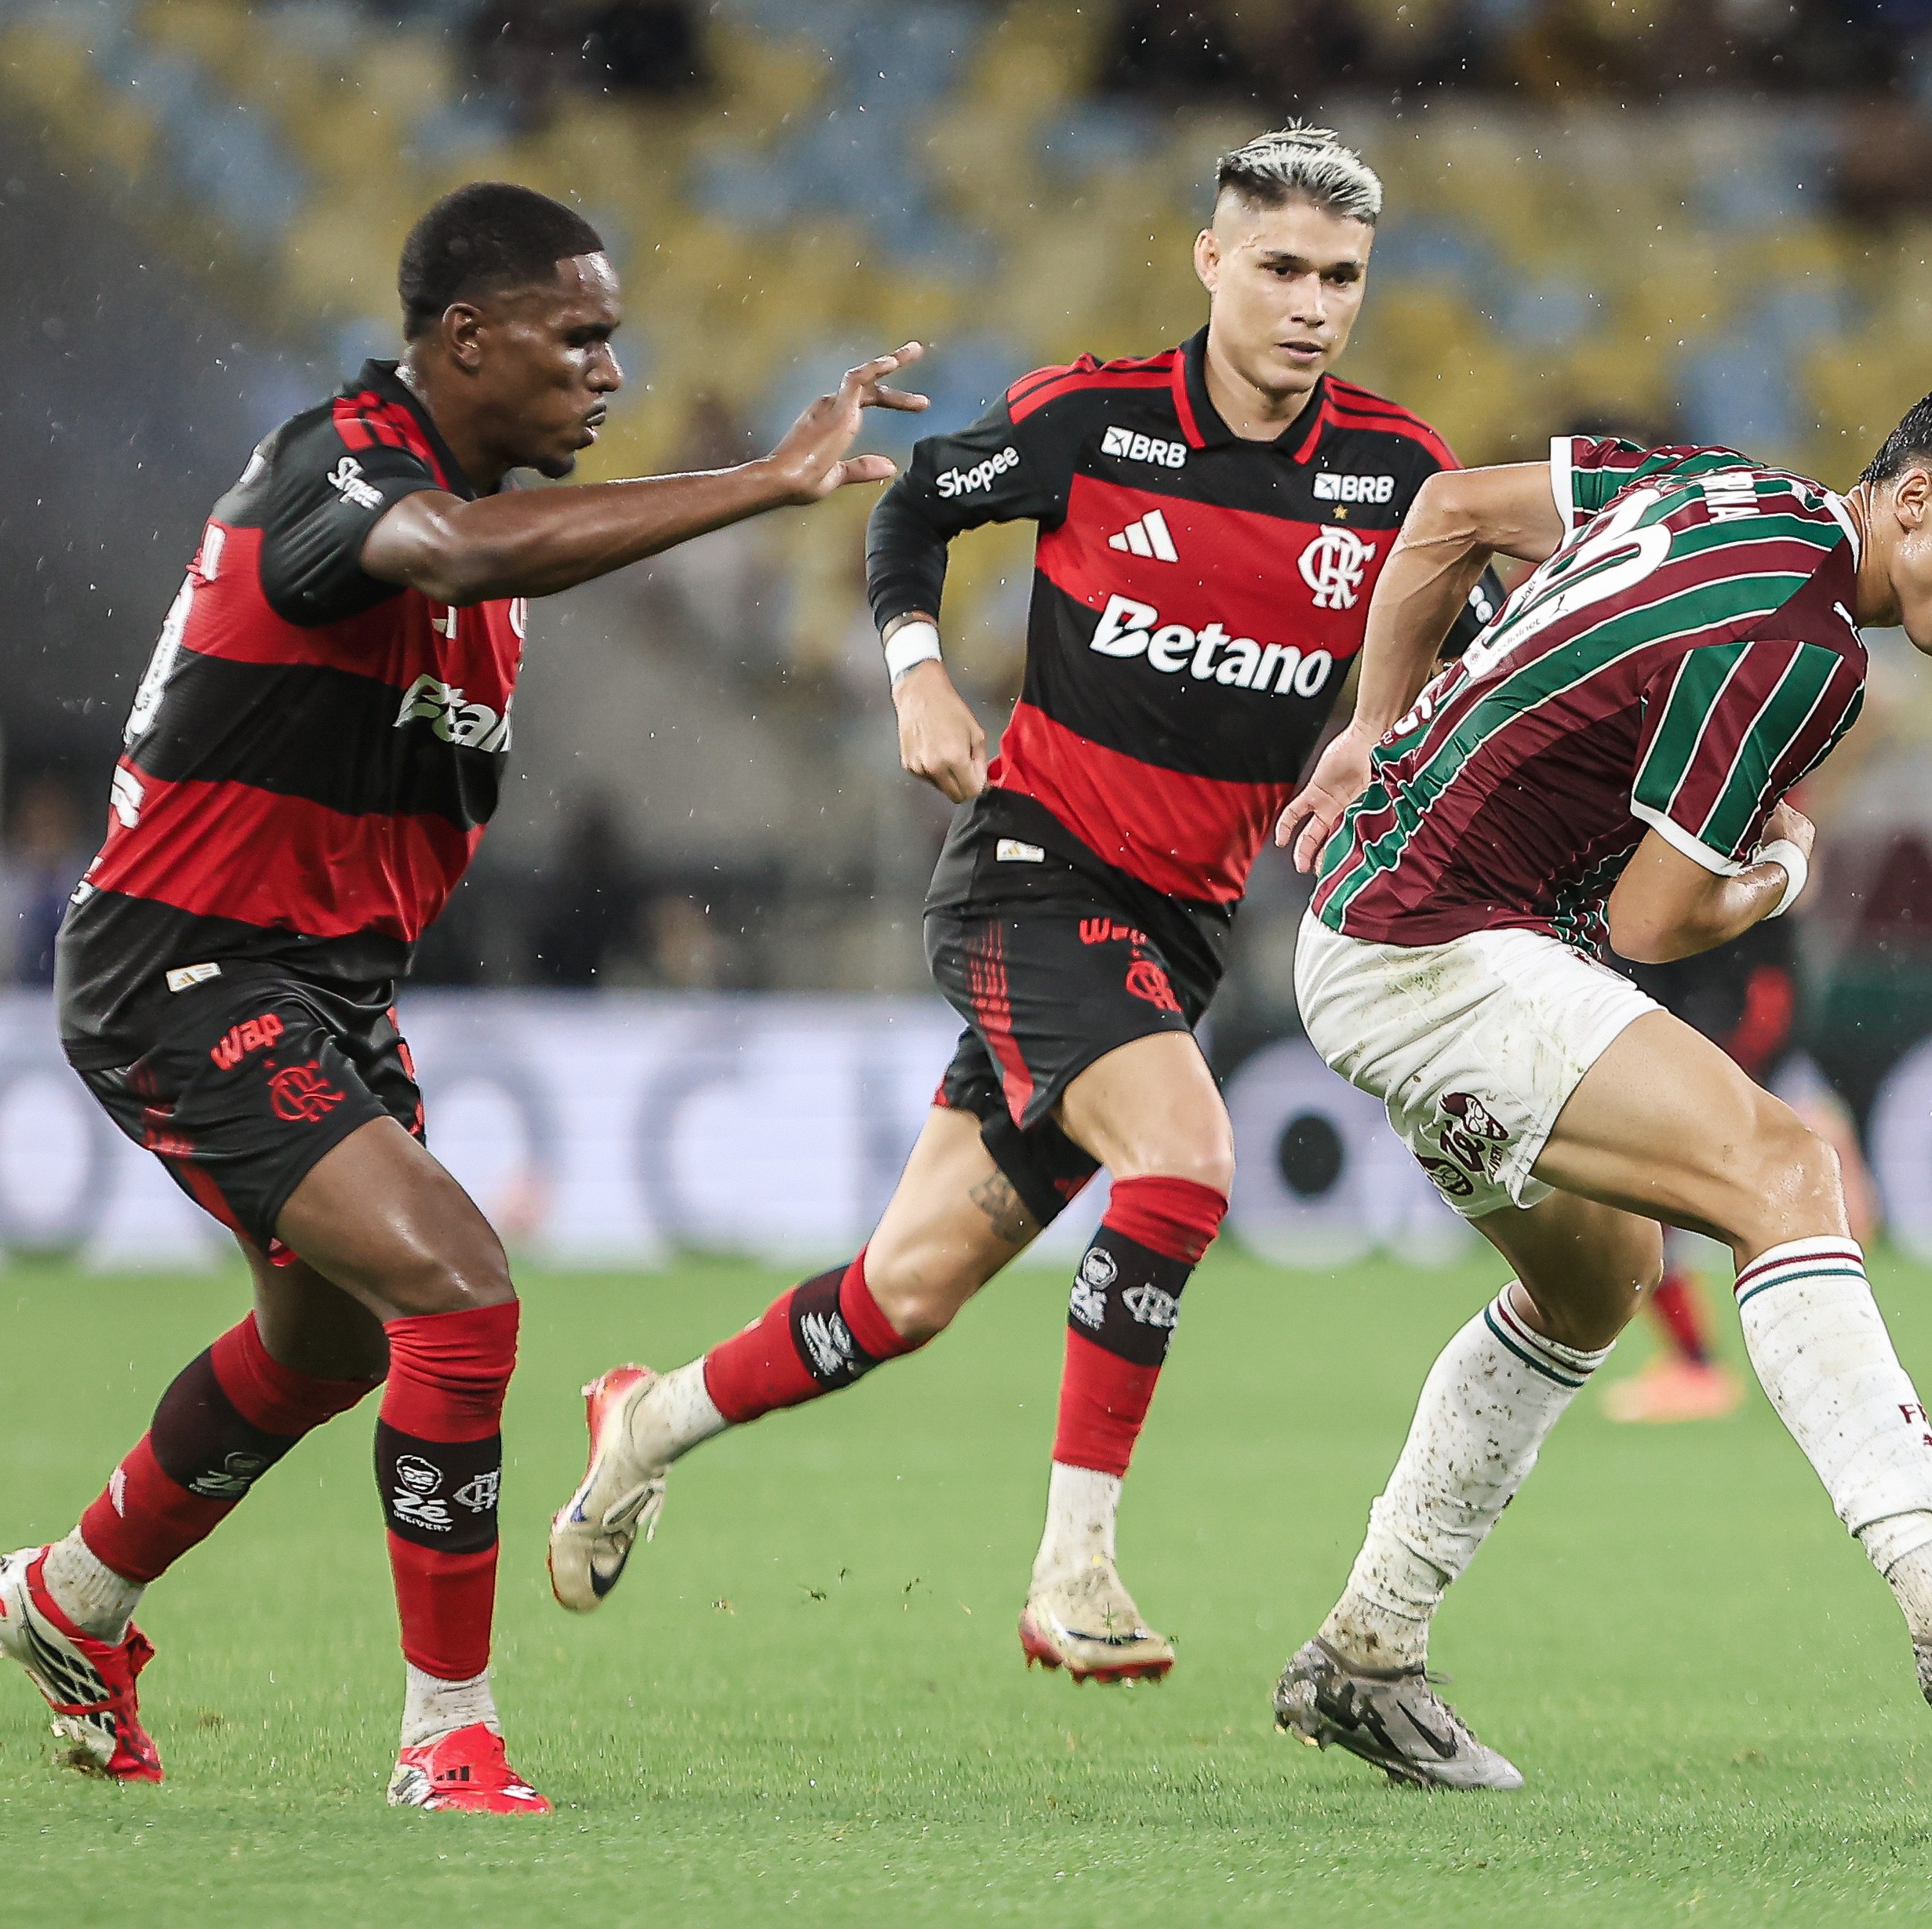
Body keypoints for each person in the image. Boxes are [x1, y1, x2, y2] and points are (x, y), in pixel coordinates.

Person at [0, 182, 924, 1812]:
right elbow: (449, 552)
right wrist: (762, 482)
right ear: (466, 338)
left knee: (328, 1341)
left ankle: (69, 1595)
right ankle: (445, 1734)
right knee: (460, 1293)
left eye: (614, 339)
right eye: (579, 337)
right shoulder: (337, 463)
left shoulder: (485, 554)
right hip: (185, 963)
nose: (607, 372)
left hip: (319, 986)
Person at [550, 126, 1497, 1683]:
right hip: (1031, 879)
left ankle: (647, 1418)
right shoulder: (1092, 419)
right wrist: (918, 671)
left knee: (903, 1291)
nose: (1310, 304)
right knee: (1185, 1155)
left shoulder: (1397, 473)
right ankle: (1074, 1564)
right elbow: (913, 509)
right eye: (1279, 267)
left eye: (1340, 276)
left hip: (1178, 932)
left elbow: (1465, 649)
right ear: (1210, 262)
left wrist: (1381, 732)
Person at [1266, 374, 1932, 1788]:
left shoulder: (1716, 485)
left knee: (1596, 1287)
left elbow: (1449, 512)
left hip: (1377, 923)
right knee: (1788, 1169)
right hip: (1440, 949)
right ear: (1915, 499)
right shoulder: (1808, 649)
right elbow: (1652, 922)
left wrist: (1369, 728)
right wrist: (1781, 872)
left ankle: (1366, 1650)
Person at [1606, 909, 1881, 1424]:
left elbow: (1769, 993)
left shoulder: (1747, 914)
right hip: (1707, 1048)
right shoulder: (1662, 915)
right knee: (1635, 1211)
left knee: (1644, 1208)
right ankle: (1701, 1364)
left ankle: (1721, 1366)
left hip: (1736, 1055)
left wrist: (1722, 1070)